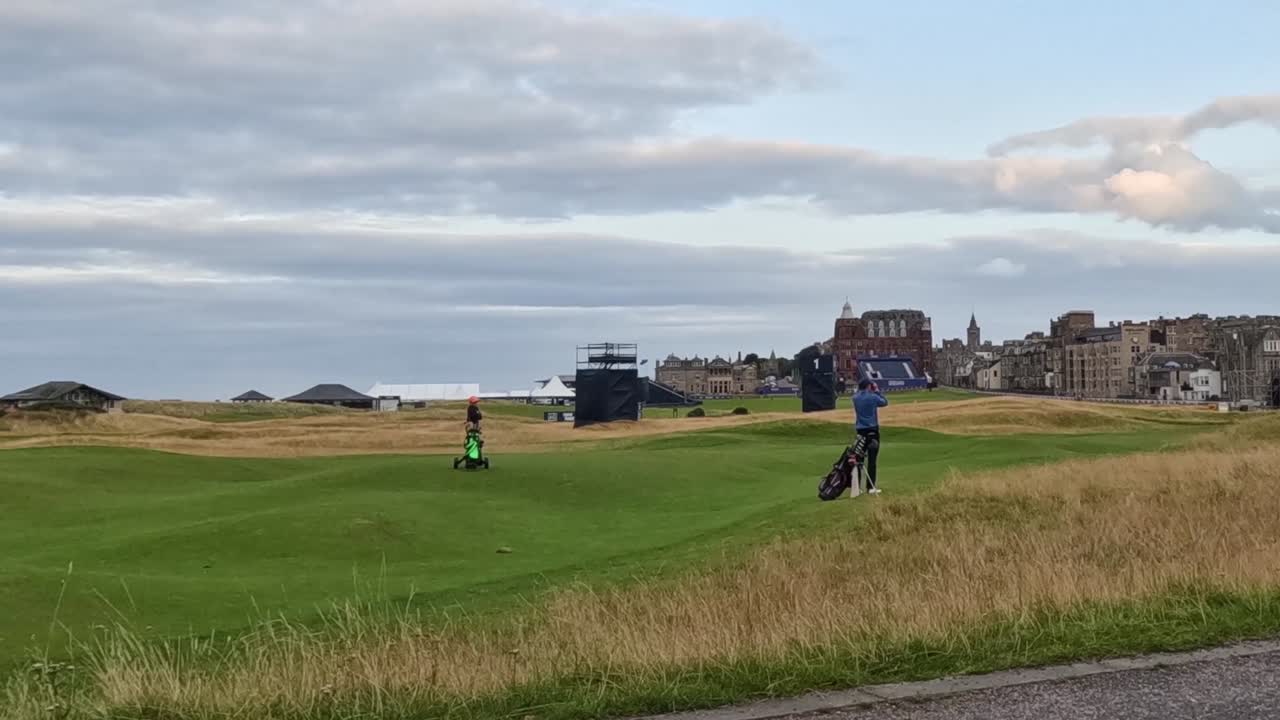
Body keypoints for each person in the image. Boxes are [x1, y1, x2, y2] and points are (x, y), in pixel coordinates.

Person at [852, 379, 888, 494]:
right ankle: (870, 487)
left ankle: (857, 487)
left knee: (858, 460)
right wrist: (876, 390)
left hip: (860, 431)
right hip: (872, 431)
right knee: (872, 460)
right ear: (869, 386)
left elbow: (858, 394)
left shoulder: (855, 398)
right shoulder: (873, 397)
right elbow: (884, 402)